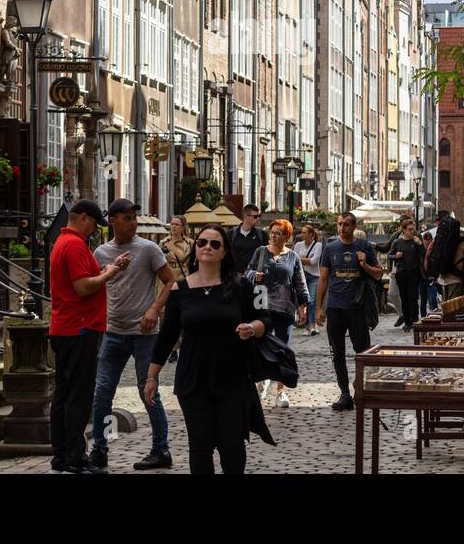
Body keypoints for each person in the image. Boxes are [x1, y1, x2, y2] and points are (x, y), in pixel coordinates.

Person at [147, 225, 274, 474]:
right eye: (202, 242)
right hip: (193, 379)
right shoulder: (178, 290)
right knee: (200, 447)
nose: (207, 247)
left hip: (233, 378)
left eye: (215, 244)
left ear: (224, 252)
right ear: (195, 248)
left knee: (232, 446)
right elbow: (167, 337)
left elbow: (266, 319)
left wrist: (252, 327)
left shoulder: (241, 286)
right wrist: (152, 376)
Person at [89, 199, 178, 471]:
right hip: (113, 332)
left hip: (145, 334)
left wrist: (153, 309)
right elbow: (93, 288)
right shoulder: (101, 253)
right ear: (112, 220)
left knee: (147, 392)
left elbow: (170, 281)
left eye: (134, 218)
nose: (133, 222)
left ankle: (161, 449)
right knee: (102, 393)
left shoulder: (148, 249)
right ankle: (99, 450)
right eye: (127, 218)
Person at [49, 199, 129, 474]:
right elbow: (83, 287)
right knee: (78, 397)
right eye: (94, 223)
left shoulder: (64, 242)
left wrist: (107, 270)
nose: (95, 230)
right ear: (82, 218)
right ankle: (74, 458)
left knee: (62, 395)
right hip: (79, 328)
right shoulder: (73, 245)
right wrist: (109, 273)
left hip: (65, 327)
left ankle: (60, 457)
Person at [316, 212, 383, 411]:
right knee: (337, 353)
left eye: (346, 224)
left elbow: (379, 273)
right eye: (340, 224)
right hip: (335, 307)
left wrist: (364, 265)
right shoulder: (330, 248)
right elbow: (323, 279)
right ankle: (344, 393)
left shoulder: (364, 247)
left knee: (362, 352)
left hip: (357, 307)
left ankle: (359, 387)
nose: (342, 227)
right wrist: (319, 308)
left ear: (353, 227)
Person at [246, 219, 308, 406]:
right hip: (261, 304)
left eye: (279, 233)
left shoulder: (293, 257)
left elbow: (299, 281)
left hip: (285, 308)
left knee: (282, 349)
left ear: (287, 236)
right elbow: (247, 272)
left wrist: (303, 305)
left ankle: (280, 392)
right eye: (272, 232)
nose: (274, 236)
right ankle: (263, 379)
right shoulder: (261, 252)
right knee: (259, 345)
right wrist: (253, 276)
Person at [389, 216, 426, 331]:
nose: (412, 231)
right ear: (403, 230)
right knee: (404, 298)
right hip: (401, 274)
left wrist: (420, 244)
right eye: (409, 229)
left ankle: (414, 320)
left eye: (413, 229)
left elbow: (424, 255)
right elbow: (389, 255)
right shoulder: (397, 242)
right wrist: (396, 256)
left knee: (413, 298)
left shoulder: (415, 241)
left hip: (414, 274)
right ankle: (407, 322)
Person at [436, 219, 464, 302]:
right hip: (455, 280)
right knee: (454, 310)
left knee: (445, 310)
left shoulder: (444, 239)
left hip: (441, 279)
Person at [296, 224, 323, 336]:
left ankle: (311, 325)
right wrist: (305, 260)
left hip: (314, 276)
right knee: (304, 301)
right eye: (302, 232)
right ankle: (308, 326)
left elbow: (314, 261)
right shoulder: (298, 244)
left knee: (311, 300)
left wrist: (300, 259)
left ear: (311, 234)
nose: (302, 234)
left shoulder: (318, 245)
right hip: (301, 276)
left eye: (304, 232)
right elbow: (294, 258)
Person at [227, 203, 265, 270]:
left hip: (254, 276)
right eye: (255, 216)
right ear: (246, 217)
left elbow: (266, 255)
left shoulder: (262, 234)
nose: (258, 219)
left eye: (259, 216)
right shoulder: (232, 234)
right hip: (235, 275)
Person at [162, 215, 193, 280]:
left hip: (184, 276)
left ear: (183, 227)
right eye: (172, 224)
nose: (173, 226)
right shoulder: (163, 242)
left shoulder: (190, 243)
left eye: (177, 224)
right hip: (168, 276)